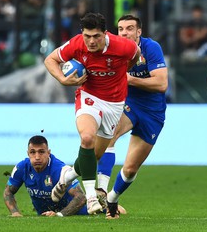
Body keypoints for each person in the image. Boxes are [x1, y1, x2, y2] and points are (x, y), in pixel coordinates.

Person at [43, 12, 141, 215]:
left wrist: (120, 72)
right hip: (89, 97)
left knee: (94, 155)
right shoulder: (77, 44)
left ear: (105, 34)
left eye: (96, 36)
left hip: (115, 103)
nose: (91, 41)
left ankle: (66, 177)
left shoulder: (123, 46)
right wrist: (63, 79)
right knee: (87, 138)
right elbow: (50, 59)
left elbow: (135, 55)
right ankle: (91, 198)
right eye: (87, 35)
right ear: (82, 33)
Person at [97, 14, 168, 219]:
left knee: (129, 169)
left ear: (139, 32)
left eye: (129, 28)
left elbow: (161, 84)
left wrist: (128, 79)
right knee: (109, 134)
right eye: (121, 29)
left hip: (153, 113)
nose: (124, 32)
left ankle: (112, 199)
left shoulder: (151, 48)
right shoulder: (113, 48)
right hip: (128, 104)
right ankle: (100, 191)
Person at [3, 135, 125, 217]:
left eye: (41, 152)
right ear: (27, 153)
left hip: (79, 212)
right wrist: (15, 213)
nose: (37, 157)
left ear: (48, 153)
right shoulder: (22, 168)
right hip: (44, 216)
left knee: (120, 211)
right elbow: (8, 192)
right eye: (32, 152)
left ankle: (108, 200)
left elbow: (81, 197)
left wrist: (59, 214)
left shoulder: (59, 169)